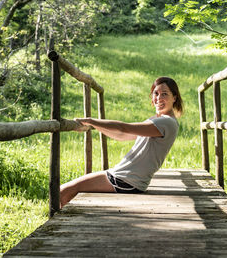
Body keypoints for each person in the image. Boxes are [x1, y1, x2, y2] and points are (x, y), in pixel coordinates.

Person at [60, 76, 183, 208]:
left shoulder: (166, 122)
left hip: (126, 181)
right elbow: (122, 135)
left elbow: (124, 127)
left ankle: (57, 224)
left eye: (164, 94)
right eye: (156, 93)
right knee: (65, 191)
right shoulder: (160, 121)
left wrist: (90, 121)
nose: (159, 98)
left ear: (174, 97)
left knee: (63, 192)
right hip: (125, 178)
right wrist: (95, 126)